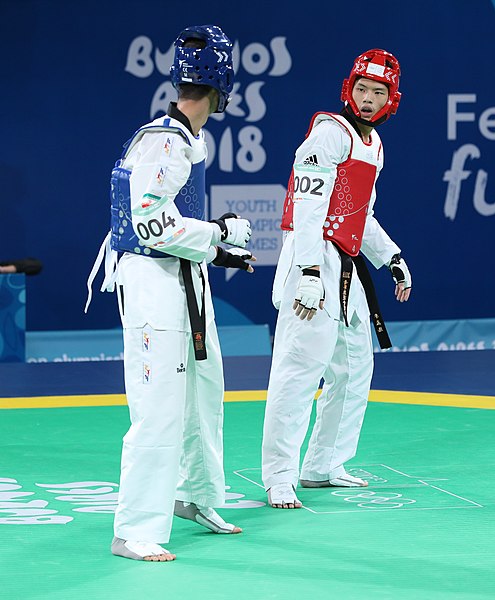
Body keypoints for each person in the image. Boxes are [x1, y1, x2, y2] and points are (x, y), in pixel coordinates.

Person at [91, 25, 255, 561]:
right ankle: (134, 528)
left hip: (184, 277)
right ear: (223, 84)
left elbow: (168, 219)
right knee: (158, 404)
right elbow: (151, 227)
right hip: (151, 281)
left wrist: (216, 247)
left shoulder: (185, 137)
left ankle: (196, 494)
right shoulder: (166, 140)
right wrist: (219, 235)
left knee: (204, 395)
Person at [262, 49, 412, 509]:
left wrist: (391, 257)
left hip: (346, 261)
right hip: (313, 256)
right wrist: (308, 272)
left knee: (353, 365)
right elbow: (307, 208)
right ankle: (279, 475)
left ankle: (323, 464)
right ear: (350, 89)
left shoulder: (374, 147)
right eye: (363, 90)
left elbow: (359, 214)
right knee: (300, 365)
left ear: (391, 100)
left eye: (378, 93)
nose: (368, 100)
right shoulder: (329, 133)